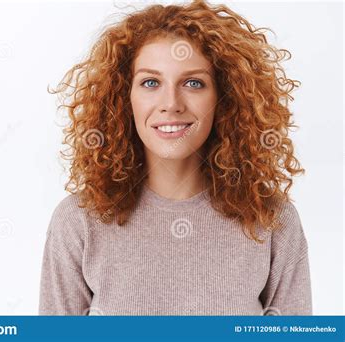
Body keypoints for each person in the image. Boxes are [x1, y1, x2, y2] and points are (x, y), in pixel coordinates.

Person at [39, 0, 312, 315]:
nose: (171, 103)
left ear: (224, 98)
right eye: (150, 83)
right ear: (124, 98)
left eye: (193, 83)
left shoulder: (272, 221)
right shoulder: (79, 222)